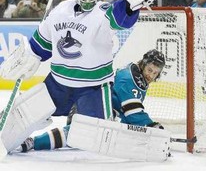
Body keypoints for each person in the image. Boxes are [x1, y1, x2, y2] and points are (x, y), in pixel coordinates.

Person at [0, 0, 163, 154]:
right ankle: (4, 137)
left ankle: (35, 142)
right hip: (59, 82)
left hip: (92, 87)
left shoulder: (103, 11)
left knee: (90, 132)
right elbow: (43, 42)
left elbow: (121, 16)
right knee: (25, 114)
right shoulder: (61, 9)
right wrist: (30, 55)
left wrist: (131, 0)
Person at [18, 49, 166, 152]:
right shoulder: (129, 79)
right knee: (81, 134)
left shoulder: (138, 77)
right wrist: (151, 125)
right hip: (89, 107)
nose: (151, 75)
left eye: (155, 72)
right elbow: (132, 111)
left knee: (82, 136)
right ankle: (33, 142)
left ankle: (35, 141)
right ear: (143, 64)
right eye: (149, 70)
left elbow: (127, 114)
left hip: (95, 108)